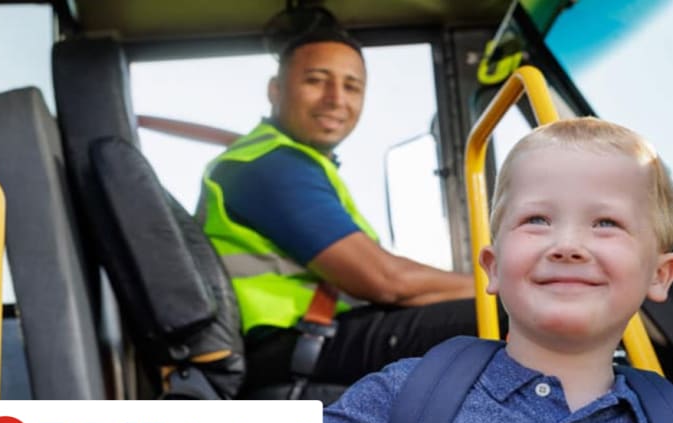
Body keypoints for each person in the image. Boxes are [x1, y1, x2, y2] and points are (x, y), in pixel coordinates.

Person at [0, 118, 673, 423]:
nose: (568, 243)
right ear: (490, 268)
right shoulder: (417, 397)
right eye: (538, 219)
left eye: (606, 223)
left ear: (661, 276)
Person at [201, 27, 491, 389]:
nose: (336, 99)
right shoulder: (267, 166)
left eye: (351, 87)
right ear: (275, 90)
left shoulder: (299, 163)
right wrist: (501, 283)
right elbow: (387, 281)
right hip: (299, 345)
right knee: (519, 317)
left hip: (322, 335)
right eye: (316, 81)